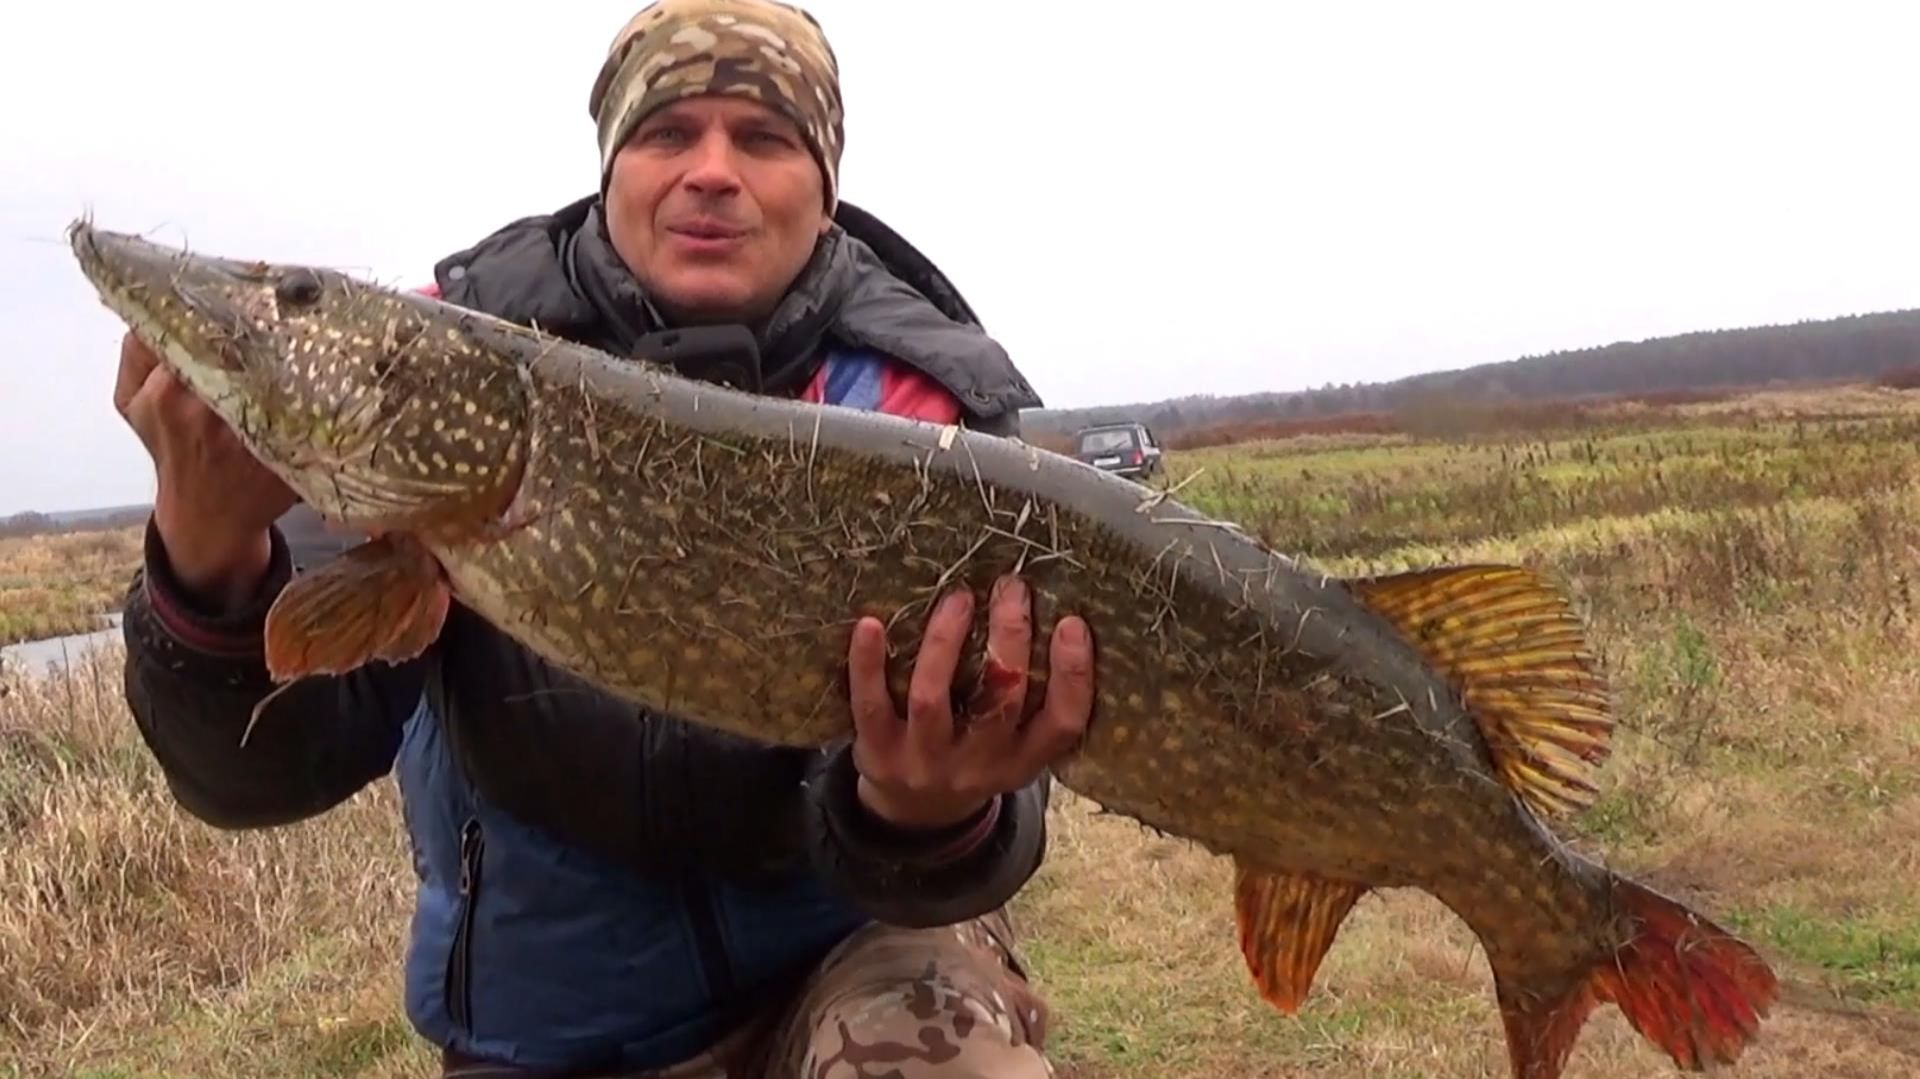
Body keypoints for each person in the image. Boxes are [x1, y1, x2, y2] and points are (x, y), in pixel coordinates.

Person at [107, 1, 1096, 1076]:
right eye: (668, 133)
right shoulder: (441, 373)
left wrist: (921, 809)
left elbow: (993, 827)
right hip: (555, 1024)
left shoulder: (924, 411)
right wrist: (206, 563)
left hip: (855, 964)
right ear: (610, 166)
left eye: (763, 138)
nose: (712, 170)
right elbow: (257, 774)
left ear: (826, 189)